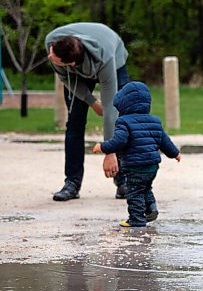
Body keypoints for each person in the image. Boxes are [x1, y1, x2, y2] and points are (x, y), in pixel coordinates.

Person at [45, 22, 130, 201]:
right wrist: (92, 102)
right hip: (75, 73)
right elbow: (64, 78)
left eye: (54, 56)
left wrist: (109, 151)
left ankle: (123, 180)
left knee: (121, 118)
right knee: (75, 122)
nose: (49, 55)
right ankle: (72, 184)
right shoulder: (53, 45)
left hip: (113, 57)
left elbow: (110, 108)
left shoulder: (105, 59)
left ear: (72, 63)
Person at [93, 81, 181, 227]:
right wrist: (175, 153)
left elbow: (118, 141)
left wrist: (103, 147)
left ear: (124, 103)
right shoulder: (155, 121)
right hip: (152, 166)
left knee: (134, 192)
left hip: (135, 166)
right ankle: (151, 208)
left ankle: (137, 219)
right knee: (145, 187)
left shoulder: (123, 121)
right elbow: (165, 142)